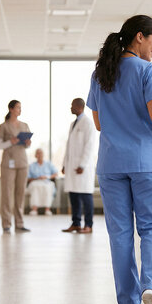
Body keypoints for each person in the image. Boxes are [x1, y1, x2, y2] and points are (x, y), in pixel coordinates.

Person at [87, 15, 152, 304]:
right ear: (140, 37)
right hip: (145, 162)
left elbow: (98, 122)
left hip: (111, 163)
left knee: (119, 232)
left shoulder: (100, 73)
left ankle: (128, 303)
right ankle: (151, 288)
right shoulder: (148, 71)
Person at [61, 98, 96, 234]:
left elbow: (89, 146)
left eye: (72, 105)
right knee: (74, 196)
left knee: (86, 196)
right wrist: (64, 164)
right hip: (71, 166)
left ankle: (88, 225)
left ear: (79, 107)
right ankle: (76, 223)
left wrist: (82, 164)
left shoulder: (88, 123)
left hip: (83, 168)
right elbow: (68, 147)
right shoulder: (73, 124)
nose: (71, 108)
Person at [0, 100, 32, 233]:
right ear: (11, 109)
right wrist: (10, 142)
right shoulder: (3, 126)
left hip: (22, 162)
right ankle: (6, 223)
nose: (20, 110)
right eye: (17, 108)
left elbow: (27, 145)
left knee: (20, 193)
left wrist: (28, 142)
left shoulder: (24, 125)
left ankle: (19, 223)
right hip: (8, 164)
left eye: (20, 108)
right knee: (6, 193)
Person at [27, 148, 58, 216]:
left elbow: (56, 173)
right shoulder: (31, 165)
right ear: (35, 155)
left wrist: (47, 177)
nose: (40, 155)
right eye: (38, 153)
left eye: (41, 153)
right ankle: (34, 209)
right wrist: (37, 178)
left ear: (43, 155)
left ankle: (47, 209)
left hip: (46, 181)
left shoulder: (48, 164)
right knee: (35, 187)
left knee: (48, 187)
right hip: (35, 181)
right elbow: (28, 178)